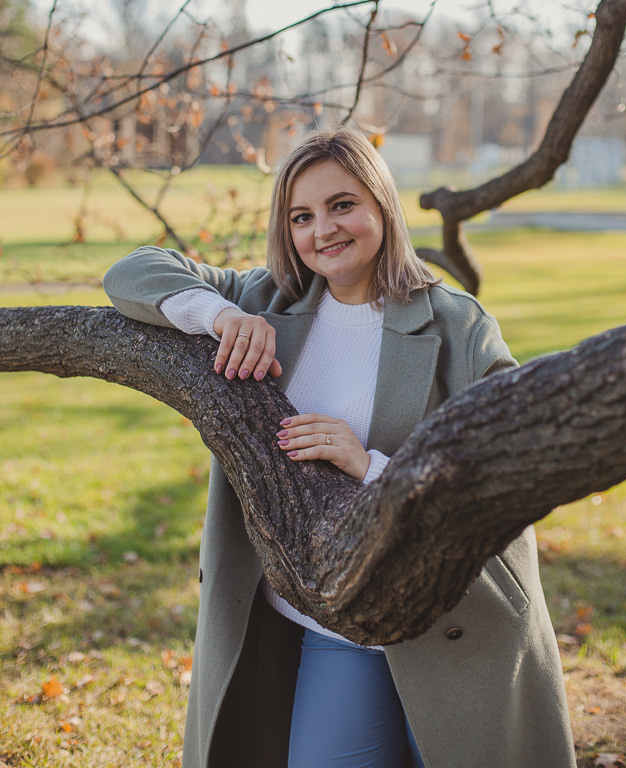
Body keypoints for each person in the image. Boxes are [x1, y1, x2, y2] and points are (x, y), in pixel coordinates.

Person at [103, 127, 577, 768]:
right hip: (332, 622)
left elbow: (513, 466)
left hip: (451, 617)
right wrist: (221, 317)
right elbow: (131, 269)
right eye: (302, 216)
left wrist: (374, 466)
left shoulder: (455, 324)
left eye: (342, 205)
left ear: (382, 203)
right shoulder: (265, 301)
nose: (322, 229)